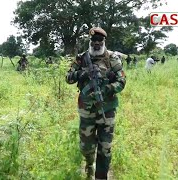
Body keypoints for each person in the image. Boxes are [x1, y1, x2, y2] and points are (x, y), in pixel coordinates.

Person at [65, 27, 126, 180]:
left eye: (100, 41)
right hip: (86, 110)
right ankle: (89, 165)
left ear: (104, 42)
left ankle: (101, 176)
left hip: (108, 109)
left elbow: (122, 81)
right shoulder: (81, 58)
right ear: (90, 41)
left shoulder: (113, 58)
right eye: (94, 41)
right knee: (86, 147)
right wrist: (81, 73)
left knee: (105, 147)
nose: (97, 43)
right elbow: (68, 78)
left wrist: (107, 89)